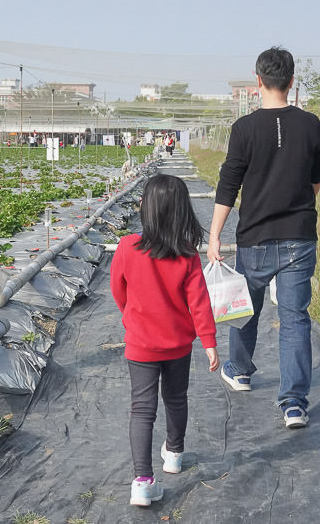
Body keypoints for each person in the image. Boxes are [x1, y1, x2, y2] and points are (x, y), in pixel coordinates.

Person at [206, 47, 320, 430]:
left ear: (257, 81)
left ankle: (240, 371)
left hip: (254, 238)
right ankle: (294, 404)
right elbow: (315, 180)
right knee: (294, 318)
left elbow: (229, 186)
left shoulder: (244, 129)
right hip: (298, 238)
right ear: (292, 82)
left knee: (246, 309)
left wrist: (214, 237)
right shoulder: (311, 125)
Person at [110, 174, 220, 507]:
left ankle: (143, 481)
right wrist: (210, 341)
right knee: (176, 398)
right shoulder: (187, 255)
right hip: (178, 346)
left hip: (140, 345)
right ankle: (174, 453)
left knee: (142, 411)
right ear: (181, 212)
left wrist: (131, 316)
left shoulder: (127, 247)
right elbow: (199, 303)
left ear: (148, 210)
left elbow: (118, 289)